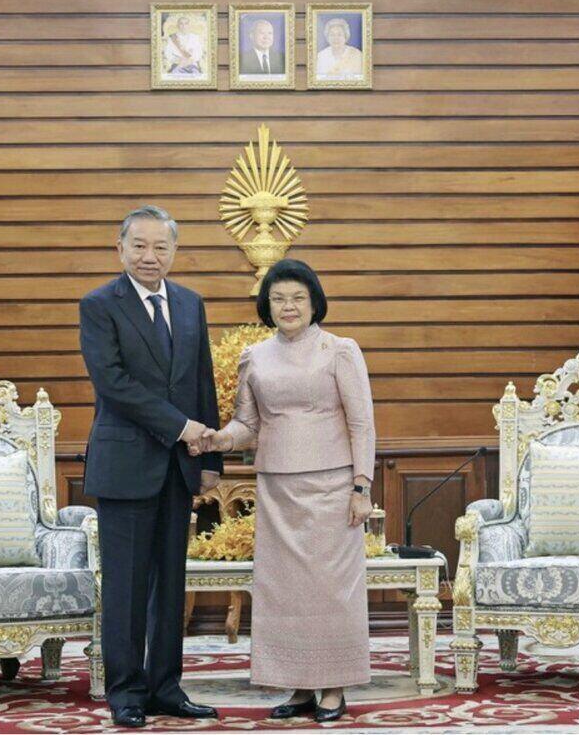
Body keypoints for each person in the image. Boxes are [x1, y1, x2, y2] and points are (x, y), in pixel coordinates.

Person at [191, 259, 375, 723]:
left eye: (297, 297)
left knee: (330, 590)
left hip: (334, 486)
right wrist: (220, 439)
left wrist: (361, 486)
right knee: (285, 592)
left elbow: (361, 423)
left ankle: (333, 688)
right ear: (266, 305)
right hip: (276, 487)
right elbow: (248, 423)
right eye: (278, 299)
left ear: (314, 302)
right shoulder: (255, 355)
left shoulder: (341, 350)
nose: (288, 306)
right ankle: (298, 687)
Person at [79, 205, 222, 729]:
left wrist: (210, 460)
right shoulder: (99, 306)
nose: (150, 256)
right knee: (127, 585)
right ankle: (126, 691)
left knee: (170, 584)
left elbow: (202, 380)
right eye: (139, 246)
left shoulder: (190, 304)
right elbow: (113, 384)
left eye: (161, 247)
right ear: (120, 248)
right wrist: (182, 428)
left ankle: (166, 687)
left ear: (174, 252)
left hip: (180, 468)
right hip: (125, 466)